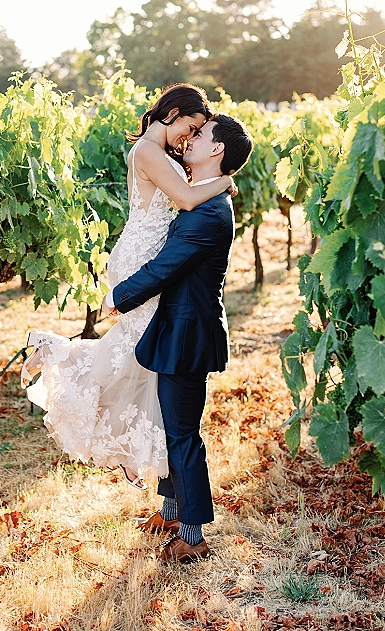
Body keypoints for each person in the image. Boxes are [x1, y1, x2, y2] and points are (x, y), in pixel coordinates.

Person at [21, 84, 236, 488]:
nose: (188, 137)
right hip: (140, 257)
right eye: (189, 126)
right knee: (139, 353)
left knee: (140, 356)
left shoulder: (160, 151)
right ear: (171, 111)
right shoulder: (151, 152)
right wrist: (224, 182)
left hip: (143, 251)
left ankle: (149, 465)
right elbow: (188, 200)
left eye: (196, 132)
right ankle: (61, 357)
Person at [104, 113, 253, 562]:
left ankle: (192, 537)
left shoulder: (209, 212)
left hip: (188, 335)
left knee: (183, 434)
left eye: (201, 134)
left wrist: (119, 296)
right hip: (177, 328)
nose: (189, 139)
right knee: (171, 426)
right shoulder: (204, 203)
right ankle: (171, 512)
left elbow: (165, 267)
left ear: (217, 150)